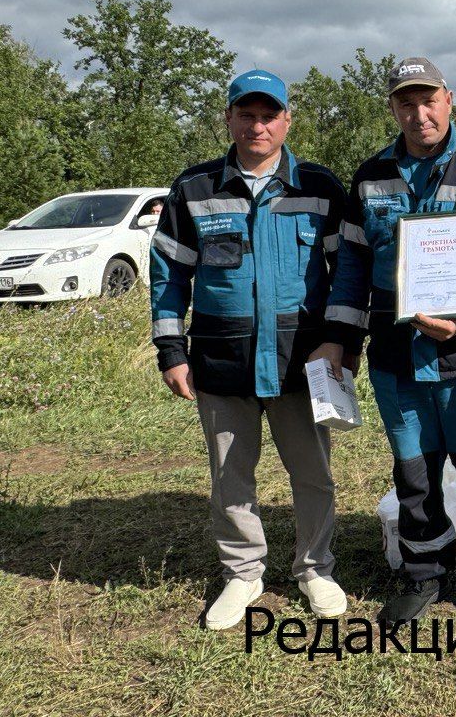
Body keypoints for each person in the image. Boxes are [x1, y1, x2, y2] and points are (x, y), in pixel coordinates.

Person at [311, 57, 456, 624]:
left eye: (428, 99)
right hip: (395, 355)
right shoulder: (372, 175)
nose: (419, 112)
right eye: (406, 102)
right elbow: (353, 265)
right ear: (393, 109)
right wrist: (338, 338)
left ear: (448, 100)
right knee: (413, 469)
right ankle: (424, 570)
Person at [149, 69, 352, 630]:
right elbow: (168, 273)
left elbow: (347, 274)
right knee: (230, 475)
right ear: (230, 118)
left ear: (287, 120)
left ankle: (315, 567)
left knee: (312, 473)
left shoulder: (320, 187)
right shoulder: (194, 189)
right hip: (221, 360)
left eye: (269, 115)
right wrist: (171, 349)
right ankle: (242, 573)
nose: (257, 125)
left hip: (303, 360)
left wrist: (340, 341)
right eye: (247, 114)